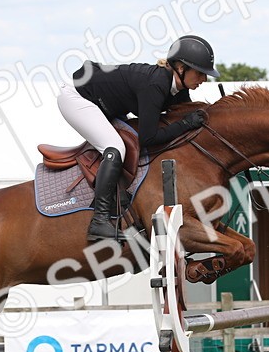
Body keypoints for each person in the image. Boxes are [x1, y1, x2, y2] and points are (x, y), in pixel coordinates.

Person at [60, 34, 220, 241]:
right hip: (77, 98)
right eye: (200, 73)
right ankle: (99, 221)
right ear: (181, 68)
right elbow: (149, 137)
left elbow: (185, 116)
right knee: (115, 147)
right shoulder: (156, 85)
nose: (204, 79)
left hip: (106, 104)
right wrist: (186, 123)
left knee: (126, 143)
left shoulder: (177, 89)